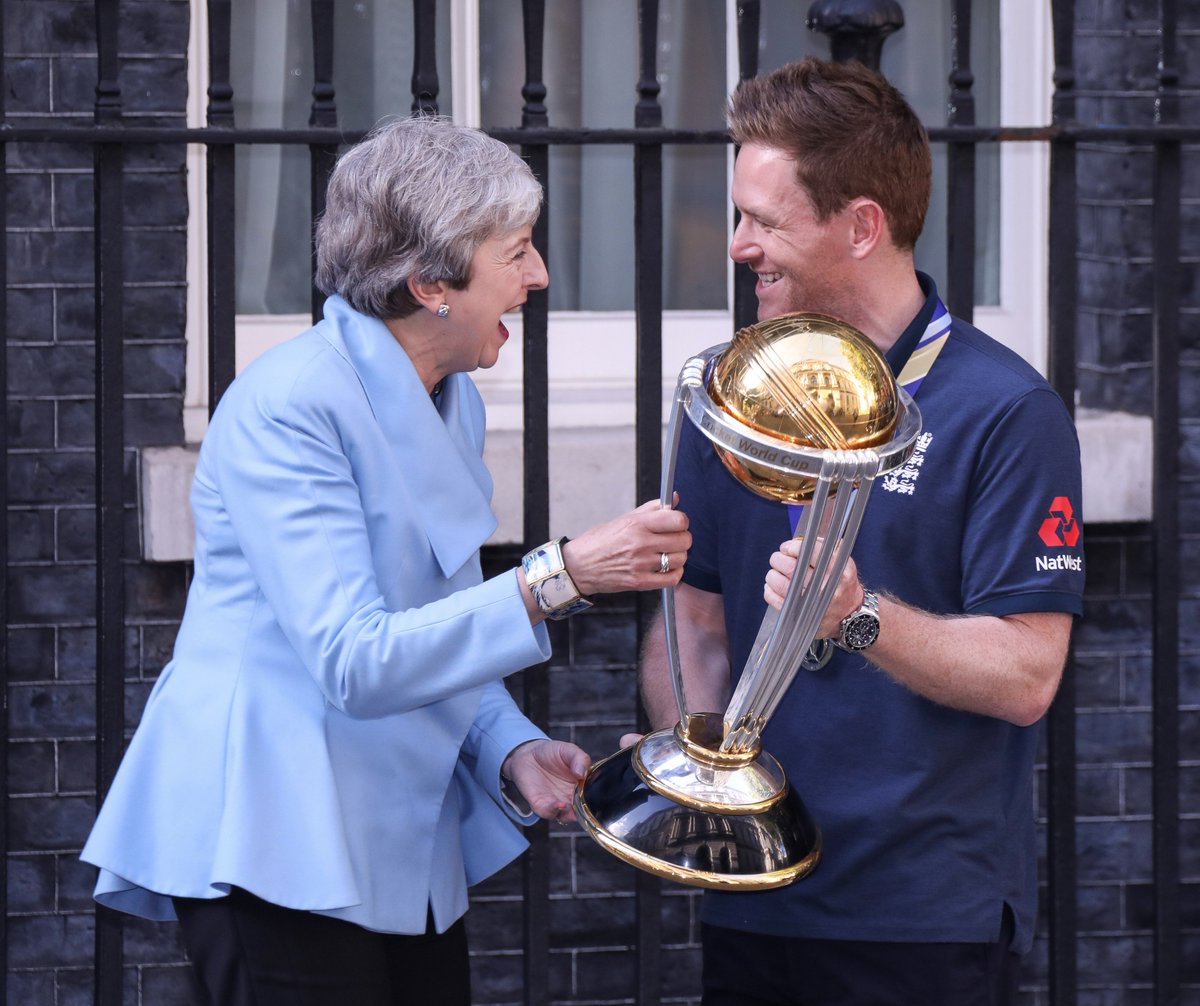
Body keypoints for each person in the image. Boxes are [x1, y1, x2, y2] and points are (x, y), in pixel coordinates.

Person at [81, 116, 690, 1006]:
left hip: (398, 844)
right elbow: (356, 658)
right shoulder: (291, 405)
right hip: (273, 838)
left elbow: (426, 616)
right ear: (430, 282)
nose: (540, 277)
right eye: (516, 251)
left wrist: (509, 747)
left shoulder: (450, 401)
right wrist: (561, 575)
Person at [637, 58, 1085, 1006]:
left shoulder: (1006, 409)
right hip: (753, 898)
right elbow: (696, 624)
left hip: (917, 916)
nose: (737, 245)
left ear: (861, 225)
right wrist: (698, 777)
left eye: (763, 219)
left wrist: (856, 616)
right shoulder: (729, 394)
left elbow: (1027, 675)